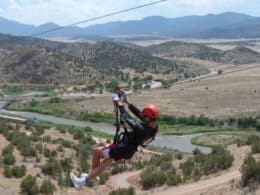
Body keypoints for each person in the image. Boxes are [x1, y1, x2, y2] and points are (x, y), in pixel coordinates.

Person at [70, 92, 159, 189]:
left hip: (122, 148)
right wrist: (128, 102)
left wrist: (119, 103)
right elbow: (139, 114)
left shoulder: (142, 130)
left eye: (145, 116)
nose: (143, 116)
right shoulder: (153, 125)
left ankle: (82, 182)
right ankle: (92, 176)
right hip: (127, 149)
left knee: (97, 153)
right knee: (104, 162)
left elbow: (127, 117)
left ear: (148, 117)